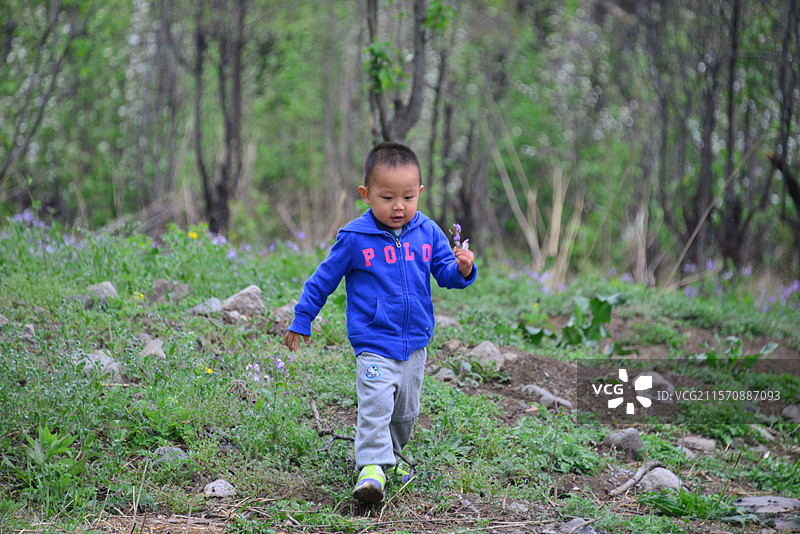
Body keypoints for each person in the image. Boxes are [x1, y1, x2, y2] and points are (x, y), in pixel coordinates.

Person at [284, 142, 477, 503]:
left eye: (407, 197)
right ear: (366, 194)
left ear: (419, 193)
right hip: (373, 341)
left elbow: (445, 274)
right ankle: (371, 466)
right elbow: (323, 279)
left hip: (415, 342)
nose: (398, 206)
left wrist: (463, 268)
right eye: (387, 197)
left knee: (405, 411)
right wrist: (302, 317)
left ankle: (392, 457)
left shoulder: (428, 232)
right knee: (376, 404)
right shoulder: (355, 237)